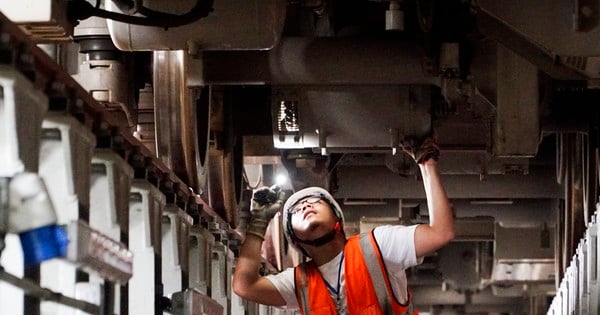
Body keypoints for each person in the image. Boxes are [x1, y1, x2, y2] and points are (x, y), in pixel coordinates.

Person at [233, 138, 454, 315]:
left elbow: (441, 233)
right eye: (295, 210)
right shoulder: (300, 283)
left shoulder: (378, 247)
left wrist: (427, 165)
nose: (305, 206)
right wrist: (259, 223)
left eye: (315, 201)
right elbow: (245, 286)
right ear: (296, 239)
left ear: (337, 221)